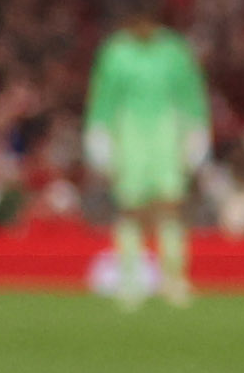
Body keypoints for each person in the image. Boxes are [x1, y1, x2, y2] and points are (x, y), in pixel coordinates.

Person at [82, 16, 210, 306]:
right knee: (131, 209)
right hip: (129, 134)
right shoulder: (115, 52)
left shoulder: (174, 51)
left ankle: (174, 280)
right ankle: (130, 281)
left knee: (169, 206)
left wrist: (197, 128)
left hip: (167, 132)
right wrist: (98, 131)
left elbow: (189, 92)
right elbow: (104, 96)